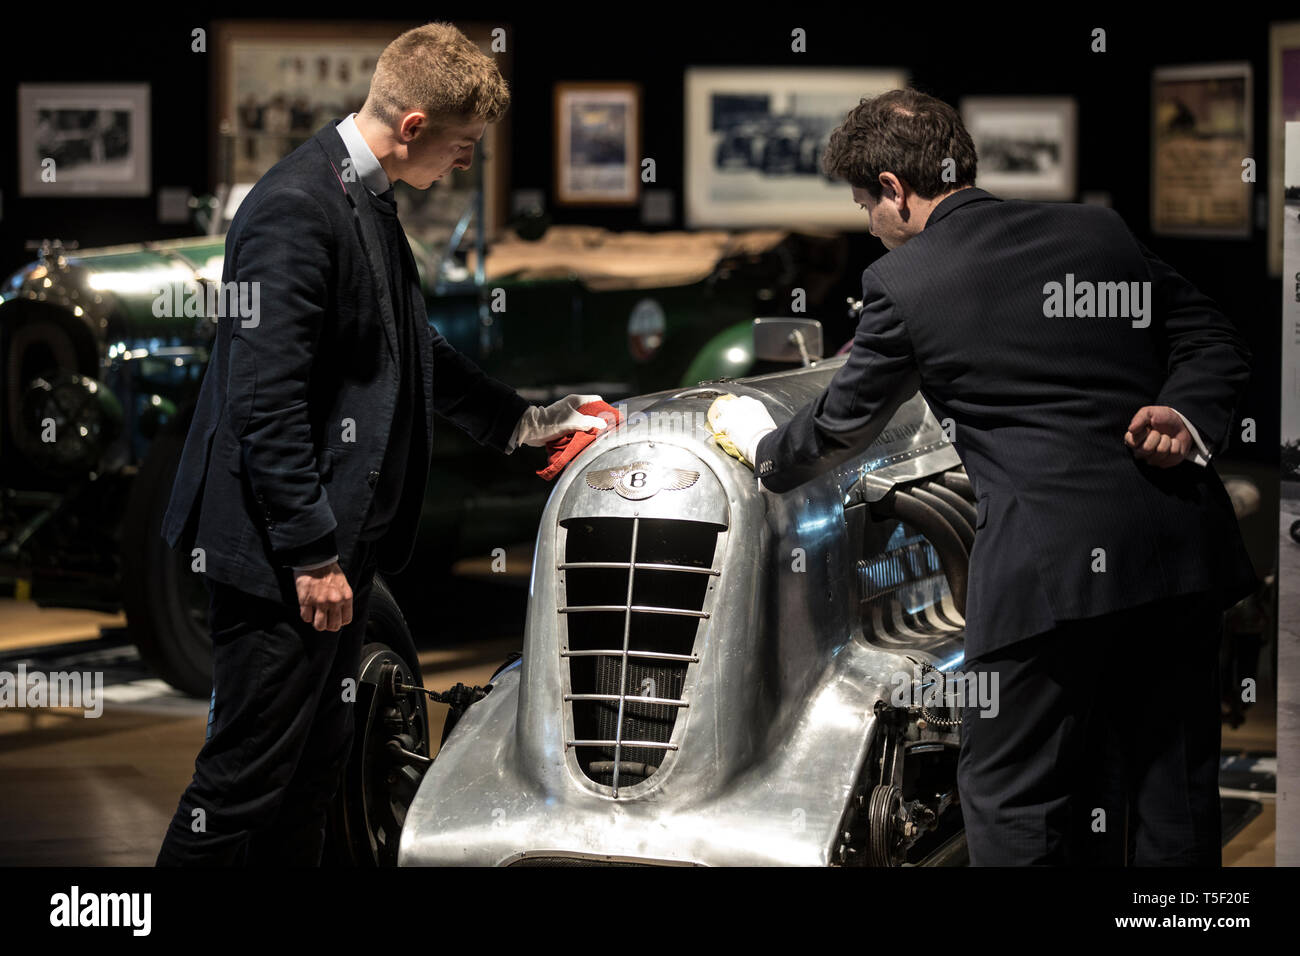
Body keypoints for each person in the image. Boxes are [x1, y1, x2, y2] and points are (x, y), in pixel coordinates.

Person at [712, 88, 1258, 866]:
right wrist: (1186, 414)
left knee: (1012, 799)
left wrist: (759, 448)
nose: (869, 222)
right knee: (1171, 795)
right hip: (1177, 552)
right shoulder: (1094, 230)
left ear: (895, 192)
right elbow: (1212, 334)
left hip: (1047, 580)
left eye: (866, 203)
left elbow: (840, 424)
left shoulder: (905, 282)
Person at [156, 22, 607, 866]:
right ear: (412, 128)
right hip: (281, 565)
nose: (467, 162)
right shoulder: (295, 207)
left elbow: (409, 347)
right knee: (241, 790)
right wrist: (311, 554)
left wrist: (524, 421)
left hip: (338, 558)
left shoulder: (362, 194)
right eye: (463, 144)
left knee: (315, 779)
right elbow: (266, 403)